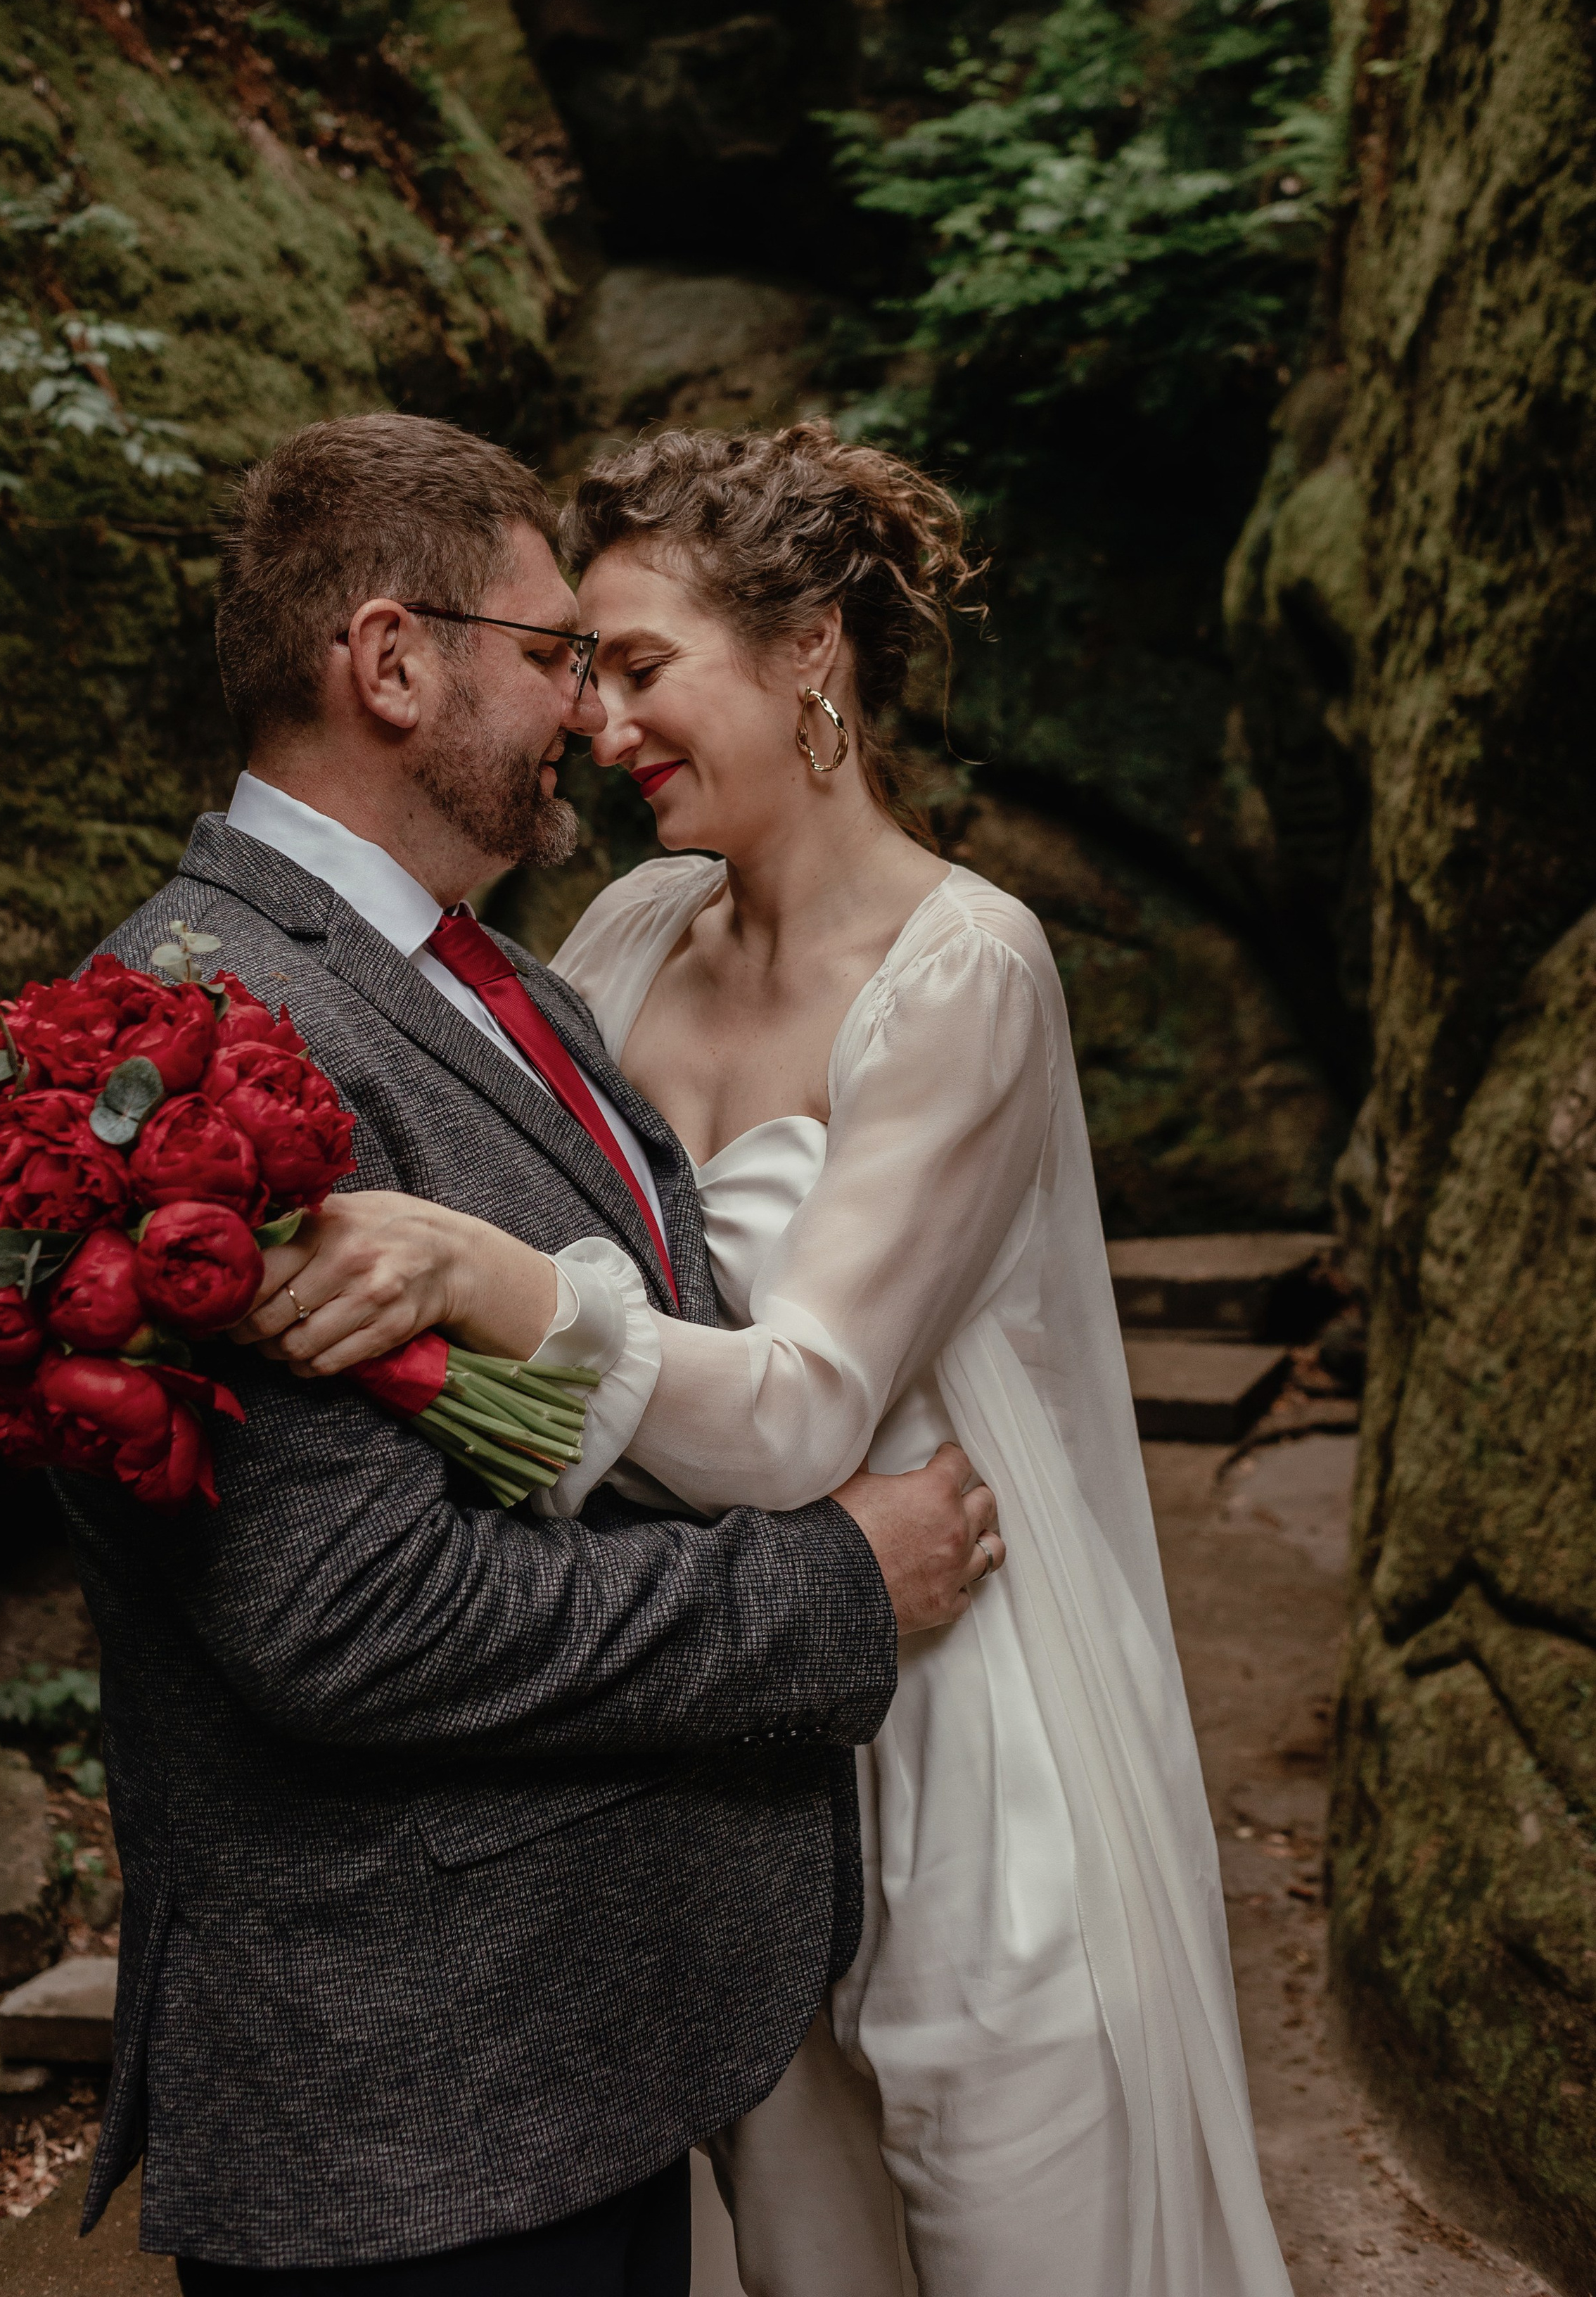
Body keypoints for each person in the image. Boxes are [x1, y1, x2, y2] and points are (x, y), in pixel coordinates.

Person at [255, 420, 1295, 2297]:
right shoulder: (629, 935)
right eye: (585, 674)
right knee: (805, 2248)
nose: (596, 723)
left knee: (1008, 2217)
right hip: (725, 1731)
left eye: (642, 668)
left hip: (961, 1721)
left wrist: (476, 1276)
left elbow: (811, 1405)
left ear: (809, 648)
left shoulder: (966, 972)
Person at [61, 411, 1004, 2297]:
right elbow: (354, 1615)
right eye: (556, 652)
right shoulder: (204, 1034)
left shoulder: (482, 969)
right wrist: (832, 1585)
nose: (586, 708)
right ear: (394, 663)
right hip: (412, 2115)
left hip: (559, 2063)